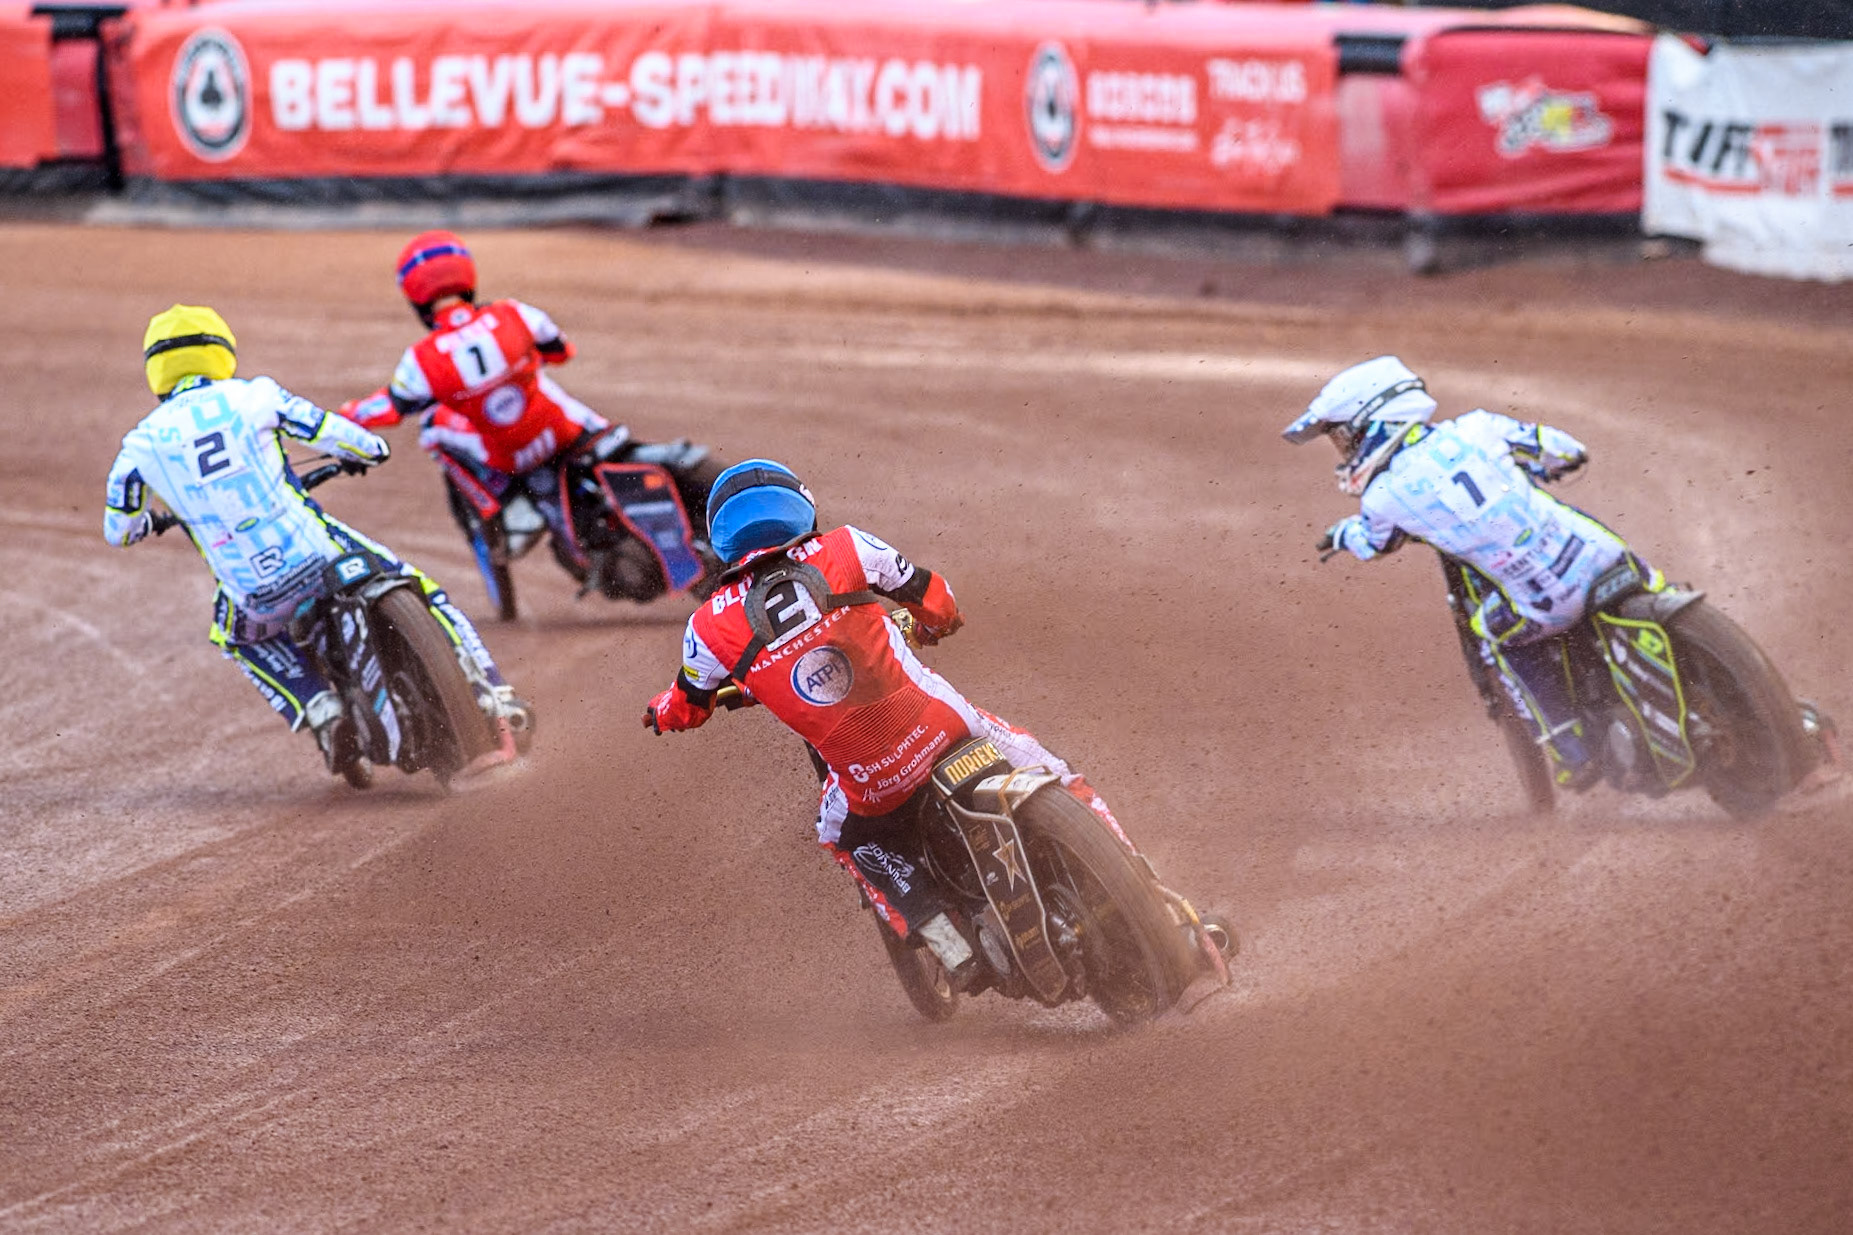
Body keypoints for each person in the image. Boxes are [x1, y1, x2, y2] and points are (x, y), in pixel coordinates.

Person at [640, 459, 1128, 978]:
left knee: (840, 835)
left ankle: (944, 939)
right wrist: (938, 623)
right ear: (799, 506)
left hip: (874, 788)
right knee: (1063, 775)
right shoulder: (848, 545)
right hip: (948, 730)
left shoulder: (706, 625)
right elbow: (934, 597)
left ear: (722, 538)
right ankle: (1160, 904)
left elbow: (686, 705)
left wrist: (661, 714)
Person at [104, 304, 531, 778]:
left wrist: (150, 524)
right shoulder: (255, 396)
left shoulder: (138, 446)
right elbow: (339, 435)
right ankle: (495, 693)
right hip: (317, 553)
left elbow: (117, 530)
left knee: (234, 637)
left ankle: (321, 711)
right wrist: (371, 450)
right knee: (418, 583)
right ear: (220, 351)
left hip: (253, 593)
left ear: (155, 370)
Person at [1283, 355, 1645, 790]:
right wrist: (1534, 469)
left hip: (1548, 601)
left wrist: (1342, 536)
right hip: (1607, 555)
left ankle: (1574, 751)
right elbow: (1566, 451)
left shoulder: (1382, 499)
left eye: (1346, 437)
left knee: (1494, 635)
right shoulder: (1478, 427)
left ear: (1375, 421)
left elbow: (1373, 543)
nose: (1346, 450)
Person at [357, 229, 619, 590]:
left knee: (432, 427)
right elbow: (561, 352)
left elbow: (388, 408)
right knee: (541, 381)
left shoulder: (421, 359)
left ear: (415, 295)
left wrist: (346, 414)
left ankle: (495, 501)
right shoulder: (513, 313)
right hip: (571, 431)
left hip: (511, 457)